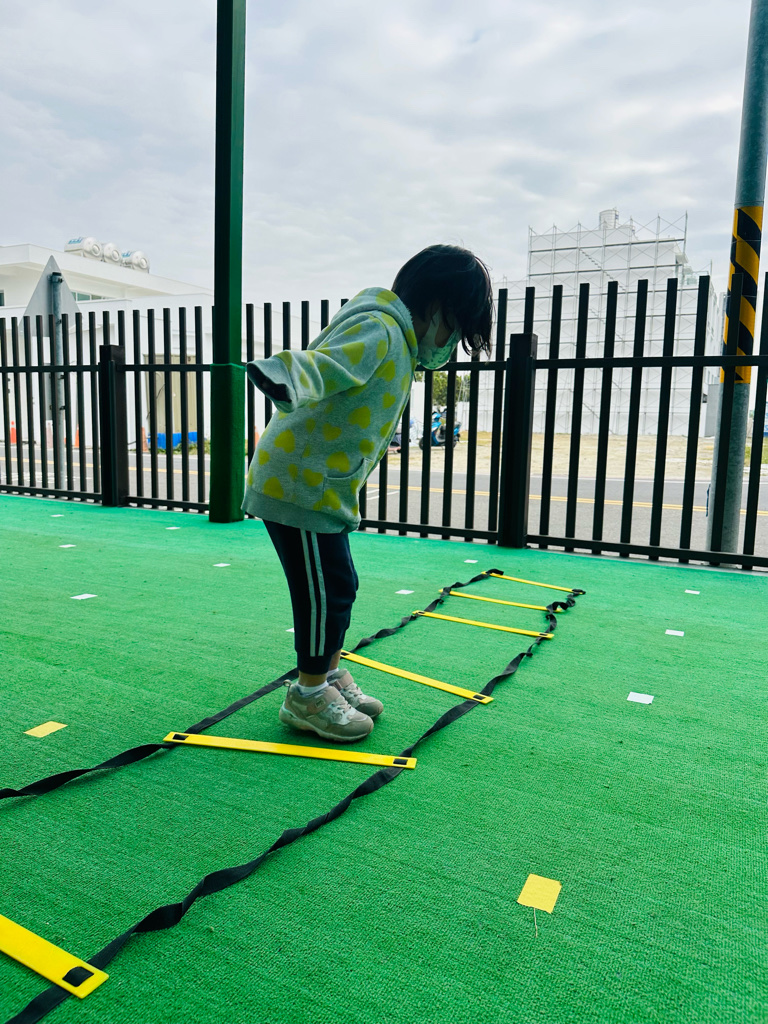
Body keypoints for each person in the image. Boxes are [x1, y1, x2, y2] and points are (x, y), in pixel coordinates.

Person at [243, 244, 493, 743]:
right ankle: (307, 696)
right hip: (299, 484)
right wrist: (282, 372)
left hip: (323, 487)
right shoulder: (380, 328)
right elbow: (328, 363)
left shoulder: (398, 341)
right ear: (437, 307)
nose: (450, 344)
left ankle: (326, 673)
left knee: (340, 585)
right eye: (455, 328)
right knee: (323, 593)